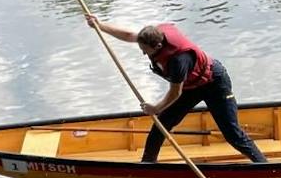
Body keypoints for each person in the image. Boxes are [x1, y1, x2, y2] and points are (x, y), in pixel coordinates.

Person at [86, 16, 268, 164]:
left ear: (158, 46)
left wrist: (155, 108)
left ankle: (263, 166)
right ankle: (148, 164)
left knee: (232, 133)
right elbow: (128, 35)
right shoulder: (151, 36)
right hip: (191, 86)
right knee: (161, 124)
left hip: (215, 84)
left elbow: (175, 93)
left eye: (145, 51)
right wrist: (100, 25)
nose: (143, 53)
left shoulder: (178, 60)